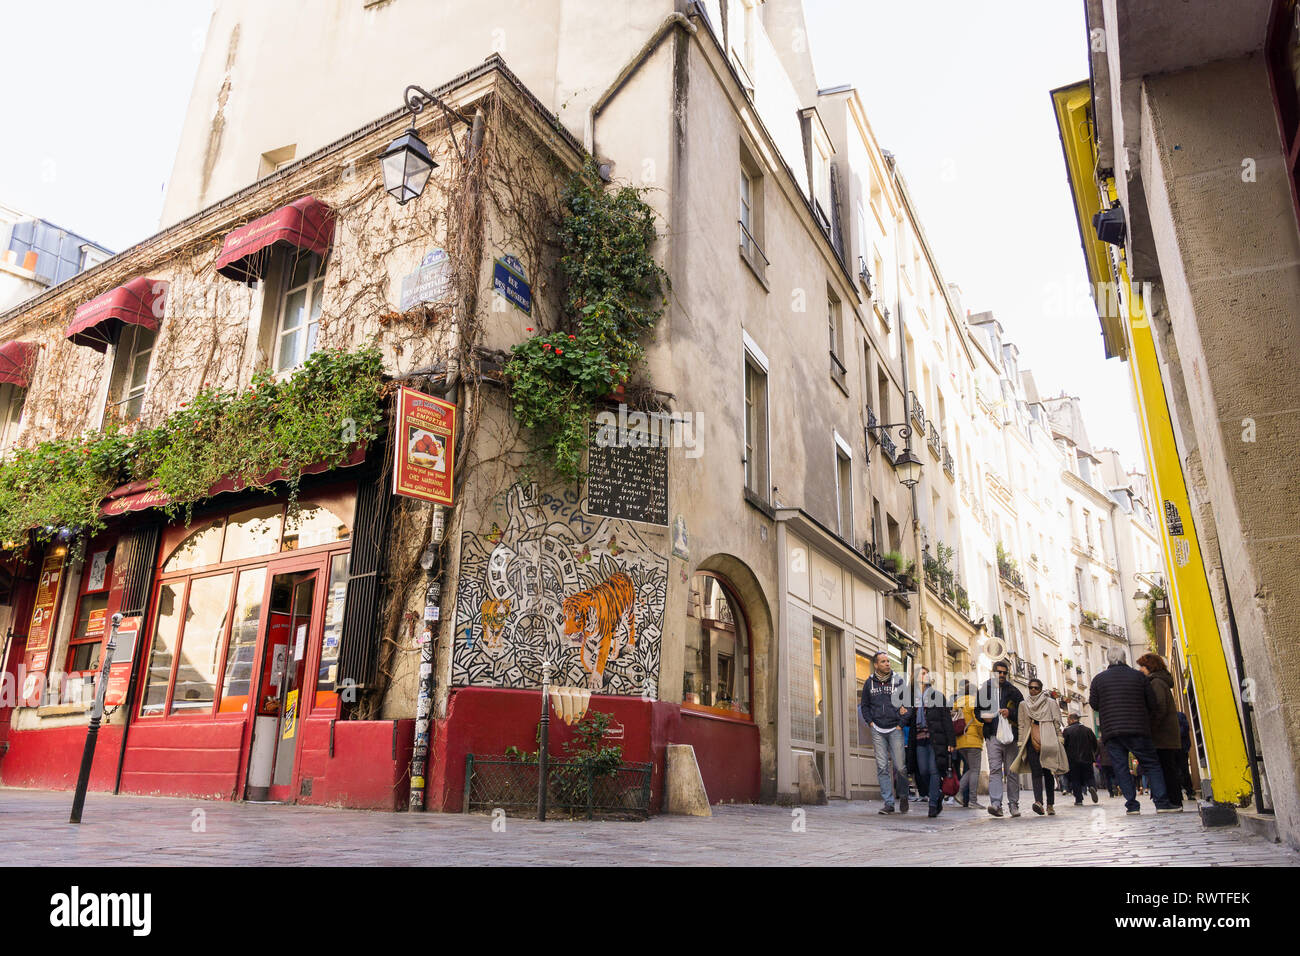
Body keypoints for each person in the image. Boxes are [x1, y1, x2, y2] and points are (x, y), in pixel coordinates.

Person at [1088, 645, 1181, 814]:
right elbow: (1151, 702)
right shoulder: (1139, 677)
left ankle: (1132, 805)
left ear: (1109, 660)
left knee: (1121, 767)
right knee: (1152, 764)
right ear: (1124, 659)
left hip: (1112, 731)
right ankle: (1161, 803)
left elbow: (1094, 704)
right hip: (1138, 728)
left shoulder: (1098, 679)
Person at [860, 651, 909, 815]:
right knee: (882, 767)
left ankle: (903, 795)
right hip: (878, 730)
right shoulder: (869, 683)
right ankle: (888, 803)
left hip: (895, 728)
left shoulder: (899, 681)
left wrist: (901, 724)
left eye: (888, 661)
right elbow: (864, 705)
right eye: (883, 661)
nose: (887, 664)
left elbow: (908, 704)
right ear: (876, 665)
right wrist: (870, 723)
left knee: (900, 766)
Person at [903, 667, 956, 818]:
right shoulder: (911, 698)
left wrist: (951, 741)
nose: (924, 676)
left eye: (926, 673)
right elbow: (908, 720)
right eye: (921, 673)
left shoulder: (937, 696)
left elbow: (946, 720)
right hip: (919, 740)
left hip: (935, 740)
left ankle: (932, 804)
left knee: (933, 770)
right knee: (923, 771)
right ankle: (937, 794)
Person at [1011, 677, 1067, 815]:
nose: (1033, 690)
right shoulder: (1024, 705)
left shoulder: (1050, 703)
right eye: (1030, 687)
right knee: (1036, 772)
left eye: (1036, 688)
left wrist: (1059, 737)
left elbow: (1056, 722)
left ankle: (1050, 805)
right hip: (1031, 740)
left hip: (1048, 739)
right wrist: (1020, 741)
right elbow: (1022, 724)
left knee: (1048, 772)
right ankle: (1039, 802)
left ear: (1041, 689)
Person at [1137, 652, 1184, 810]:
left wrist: (1151, 728)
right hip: (1168, 734)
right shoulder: (1162, 681)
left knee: (1166, 768)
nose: (1140, 670)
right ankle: (1175, 800)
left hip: (1162, 735)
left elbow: (1158, 708)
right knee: (1168, 767)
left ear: (1149, 667)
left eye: (1142, 666)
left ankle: (1173, 801)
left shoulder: (1156, 683)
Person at [979, 659, 1024, 818]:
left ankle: (1013, 805)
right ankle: (996, 804)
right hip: (992, 735)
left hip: (1011, 735)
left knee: (1012, 771)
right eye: (999, 672)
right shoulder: (985, 689)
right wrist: (985, 717)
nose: (1002, 675)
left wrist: (1009, 713)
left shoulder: (1014, 691)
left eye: (1005, 672)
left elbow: (1022, 712)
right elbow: (977, 710)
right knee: (995, 769)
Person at [954, 679, 985, 808]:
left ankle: (960, 793)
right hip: (973, 740)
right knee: (975, 770)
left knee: (971, 769)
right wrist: (983, 735)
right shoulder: (974, 702)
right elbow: (978, 721)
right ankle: (972, 800)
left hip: (960, 741)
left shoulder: (957, 703)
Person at [1062, 711, 1100, 805]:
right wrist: (1094, 754)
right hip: (1087, 758)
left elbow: (1063, 745)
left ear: (1071, 720)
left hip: (1072, 759)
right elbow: (1095, 744)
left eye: (1068, 720)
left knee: (1075, 779)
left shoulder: (1067, 731)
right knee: (1089, 775)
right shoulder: (1087, 730)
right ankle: (1092, 787)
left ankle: (1079, 799)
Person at [1176, 710, 1197, 800]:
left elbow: (1185, 730)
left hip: (1178, 747)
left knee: (1181, 770)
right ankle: (1187, 791)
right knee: (1183, 770)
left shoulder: (1179, 715)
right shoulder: (1180, 715)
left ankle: (1186, 791)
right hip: (1180, 747)